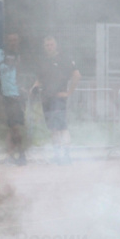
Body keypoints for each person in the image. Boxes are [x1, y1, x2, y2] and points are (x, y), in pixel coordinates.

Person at [31, 36, 81, 165]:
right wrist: (34, 87)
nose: (49, 47)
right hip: (46, 98)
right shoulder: (42, 61)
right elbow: (40, 80)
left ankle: (66, 155)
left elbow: (77, 75)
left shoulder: (64, 59)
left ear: (56, 45)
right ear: (44, 46)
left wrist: (69, 92)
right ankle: (57, 155)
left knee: (62, 127)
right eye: (47, 45)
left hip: (58, 98)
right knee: (53, 128)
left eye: (51, 44)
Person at [0, 33, 26, 165]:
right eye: (11, 40)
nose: (13, 42)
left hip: (17, 96)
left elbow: (20, 75)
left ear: (18, 42)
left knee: (15, 127)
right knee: (12, 127)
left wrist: (24, 89)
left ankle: (18, 155)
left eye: (15, 40)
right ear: (7, 42)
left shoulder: (19, 56)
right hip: (5, 96)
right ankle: (15, 155)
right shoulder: (1, 54)